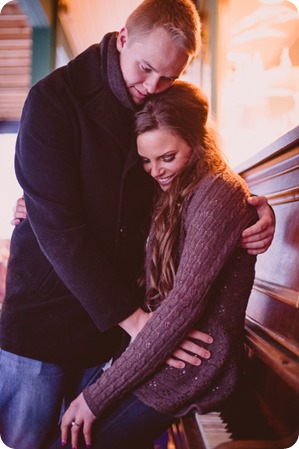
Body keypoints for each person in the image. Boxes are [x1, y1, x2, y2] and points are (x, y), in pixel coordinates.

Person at [0, 1, 274, 448]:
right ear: (123, 37)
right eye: (146, 69)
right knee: (25, 441)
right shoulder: (54, 98)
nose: (153, 87)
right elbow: (60, 230)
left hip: (112, 334)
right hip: (45, 323)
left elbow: (198, 166)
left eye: (169, 77)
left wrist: (252, 203)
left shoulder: (155, 98)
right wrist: (136, 322)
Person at [48, 81, 260, 449]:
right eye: (146, 160)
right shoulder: (174, 190)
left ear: (196, 142)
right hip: (162, 353)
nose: (155, 171)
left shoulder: (217, 192)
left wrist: (96, 398)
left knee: (74, 442)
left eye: (167, 157)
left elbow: (182, 304)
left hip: (192, 367)